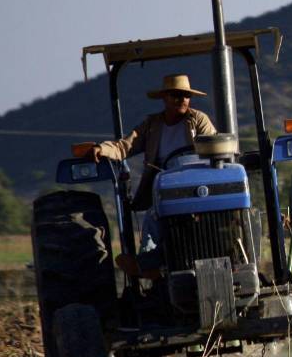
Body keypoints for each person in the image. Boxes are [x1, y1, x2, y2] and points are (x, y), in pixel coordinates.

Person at [84, 74, 217, 278]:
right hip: (165, 186)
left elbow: (212, 146)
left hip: (197, 185)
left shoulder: (198, 120)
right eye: (176, 95)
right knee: (154, 216)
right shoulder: (153, 125)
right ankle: (147, 264)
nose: (182, 100)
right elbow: (124, 146)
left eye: (186, 96)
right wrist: (101, 149)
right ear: (164, 98)